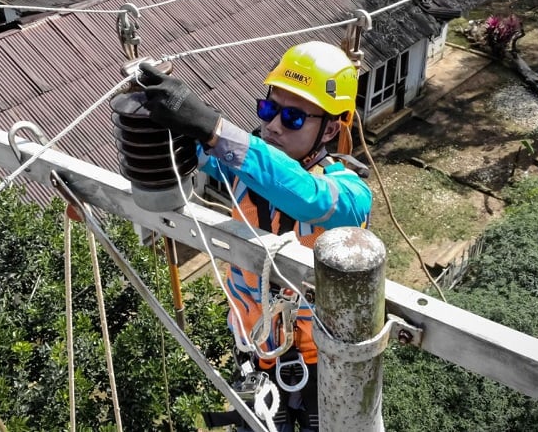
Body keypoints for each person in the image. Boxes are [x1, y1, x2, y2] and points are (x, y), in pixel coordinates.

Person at [138, 41, 373, 432]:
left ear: (331, 128)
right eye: (269, 109)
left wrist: (213, 129)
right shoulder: (242, 167)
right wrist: (158, 111)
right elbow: (196, 151)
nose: (274, 125)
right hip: (256, 350)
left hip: (324, 364)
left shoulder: (349, 194)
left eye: (294, 118)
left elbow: (308, 198)